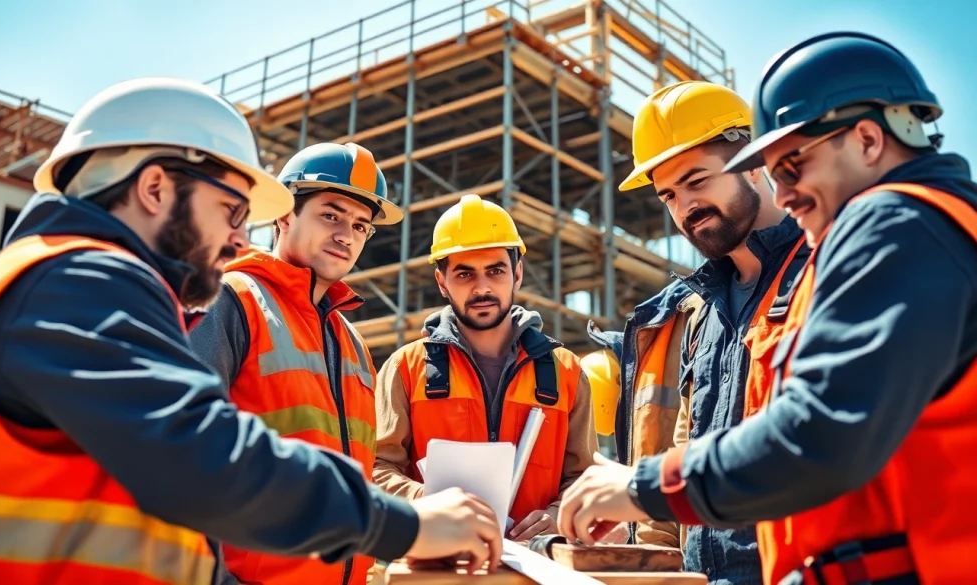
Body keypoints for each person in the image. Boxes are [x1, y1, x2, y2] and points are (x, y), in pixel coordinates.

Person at [0, 77, 502, 585]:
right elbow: (198, 455)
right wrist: (403, 524)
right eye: (230, 210)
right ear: (154, 188)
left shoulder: (66, 276)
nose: (240, 239)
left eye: (360, 226)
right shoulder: (76, 280)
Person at [557, 31, 977, 585]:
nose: (784, 193)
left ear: (869, 139)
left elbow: (823, 434)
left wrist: (644, 488)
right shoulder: (923, 227)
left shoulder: (894, 227)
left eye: (792, 167)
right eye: (668, 195)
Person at [585, 79, 808, 584]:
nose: (686, 206)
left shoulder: (820, 271)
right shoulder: (697, 314)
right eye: (669, 194)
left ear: (755, 162)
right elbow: (684, 448)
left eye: (698, 180)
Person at [188, 141, 404, 585]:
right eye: (331, 215)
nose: (346, 235)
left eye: (360, 225)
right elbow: (181, 460)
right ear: (285, 215)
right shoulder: (230, 301)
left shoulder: (352, 342)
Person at [372, 194, 597, 542]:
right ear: (442, 282)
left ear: (517, 274)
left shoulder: (565, 371)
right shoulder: (406, 368)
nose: (482, 288)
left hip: (536, 562)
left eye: (495, 271)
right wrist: (424, 501)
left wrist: (558, 515)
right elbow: (375, 467)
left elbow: (585, 477)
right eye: (465, 274)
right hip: (437, 560)